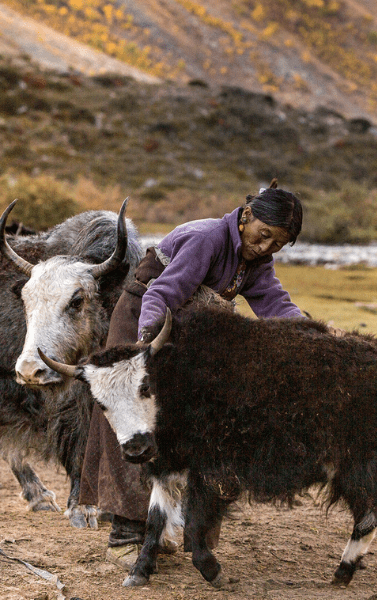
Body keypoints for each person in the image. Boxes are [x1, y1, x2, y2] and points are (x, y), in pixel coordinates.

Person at [79, 180, 305, 570]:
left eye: (277, 244)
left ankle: (163, 529)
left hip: (184, 331)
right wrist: (145, 348)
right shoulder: (207, 239)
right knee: (134, 421)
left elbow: (275, 304)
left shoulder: (256, 260)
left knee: (181, 427)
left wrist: (313, 336)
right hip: (142, 322)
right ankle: (125, 536)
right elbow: (160, 294)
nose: (266, 247)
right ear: (246, 215)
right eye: (264, 234)